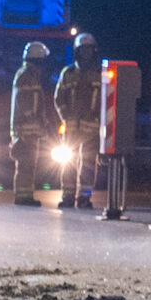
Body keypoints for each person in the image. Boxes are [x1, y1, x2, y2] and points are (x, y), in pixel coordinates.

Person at [51, 33, 104, 209]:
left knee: (88, 164)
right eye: (83, 50)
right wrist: (66, 118)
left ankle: (84, 197)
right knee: (68, 162)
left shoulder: (100, 75)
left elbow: (105, 101)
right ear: (77, 52)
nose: (86, 54)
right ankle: (67, 195)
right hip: (71, 129)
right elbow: (59, 99)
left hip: (91, 129)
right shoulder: (68, 73)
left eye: (89, 50)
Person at [8, 41, 54, 204]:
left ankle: (26, 195)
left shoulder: (29, 74)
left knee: (28, 165)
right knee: (25, 165)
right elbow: (26, 102)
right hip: (25, 130)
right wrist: (35, 118)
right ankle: (22, 196)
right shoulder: (26, 75)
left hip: (30, 130)